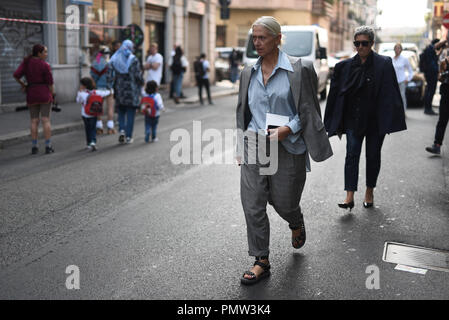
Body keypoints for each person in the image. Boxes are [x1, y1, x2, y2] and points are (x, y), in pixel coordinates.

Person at [236, 16, 333, 285]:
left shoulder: (299, 69)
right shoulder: (248, 72)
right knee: (252, 204)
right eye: (253, 37)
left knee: (283, 202)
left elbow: (309, 111)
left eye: (262, 37)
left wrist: (287, 129)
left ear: (278, 39)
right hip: (255, 145)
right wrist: (240, 146)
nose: (256, 42)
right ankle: (261, 261)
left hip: (288, 147)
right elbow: (243, 113)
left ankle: (295, 219)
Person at [324, 26, 406, 211]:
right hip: (354, 120)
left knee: (373, 156)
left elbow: (392, 93)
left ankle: (369, 191)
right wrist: (332, 121)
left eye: (364, 43)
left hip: (376, 121)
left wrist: (391, 119)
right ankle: (349, 195)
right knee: (351, 156)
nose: (360, 47)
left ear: (372, 44)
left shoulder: (384, 64)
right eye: (357, 43)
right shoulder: (343, 67)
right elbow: (335, 97)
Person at [13, 44, 55, 155]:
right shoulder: (45, 65)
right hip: (44, 93)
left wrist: (24, 85)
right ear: (39, 53)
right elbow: (50, 83)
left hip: (31, 93)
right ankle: (48, 145)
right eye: (45, 52)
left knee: (34, 121)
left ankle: (34, 146)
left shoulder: (26, 63)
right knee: (45, 120)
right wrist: (53, 95)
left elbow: (16, 75)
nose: (46, 54)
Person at [108, 40, 144, 144]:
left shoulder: (115, 58)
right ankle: (128, 136)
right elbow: (138, 75)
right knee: (131, 113)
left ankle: (122, 130)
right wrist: (142, 82)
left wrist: (110, 86)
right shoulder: (133, 59)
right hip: (131, 90)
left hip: (120, 90)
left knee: (121, 112)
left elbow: (110, 75)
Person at [76, 77, 111, 151]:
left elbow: (78, 101)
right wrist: (111, 91)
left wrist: (79, 93)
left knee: (87, 128)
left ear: (84, 86)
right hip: (93, 113)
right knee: (93, 128)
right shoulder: (96, 92)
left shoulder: (82, 93)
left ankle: (88, 143)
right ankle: (93, 142)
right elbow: (105, 93)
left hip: (85, 113)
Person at [425, 51, 449, 155]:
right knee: (442, 121)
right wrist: (444, 74)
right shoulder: (444, 62)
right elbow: (440, 77)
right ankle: (437, 145)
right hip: (446, 94)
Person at [90, 46, 116, 134]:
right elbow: (113, 76)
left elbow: (92, 76)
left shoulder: (95, 62)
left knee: (98, 108)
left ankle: (99, 128)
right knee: (110, 108)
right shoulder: (111, 62)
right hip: (109, 88)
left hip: (98, 89)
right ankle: (110, 128)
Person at [422, 38, 447, 115]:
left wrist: (441, 50)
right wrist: (445, 40)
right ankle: (428, 108)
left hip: (431, 74)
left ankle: (428, 108)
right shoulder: (430, 48)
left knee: (430, 91)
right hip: (431, 74)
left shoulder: (431, 51)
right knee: (430, 91)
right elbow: (436, 46)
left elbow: (436, 57)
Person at [392, 43, 413, 111]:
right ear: (394, 49)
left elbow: (410, 70)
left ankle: (403, 112)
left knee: (402, 96)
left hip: (401, 81)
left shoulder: (404, 59)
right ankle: (395, 112)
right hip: (393, 82)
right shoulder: (392, 59)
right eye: (396, 48)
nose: (397, 50)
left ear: (401, 50)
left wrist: (408, 79)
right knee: (394, 97)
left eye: (399, 48)